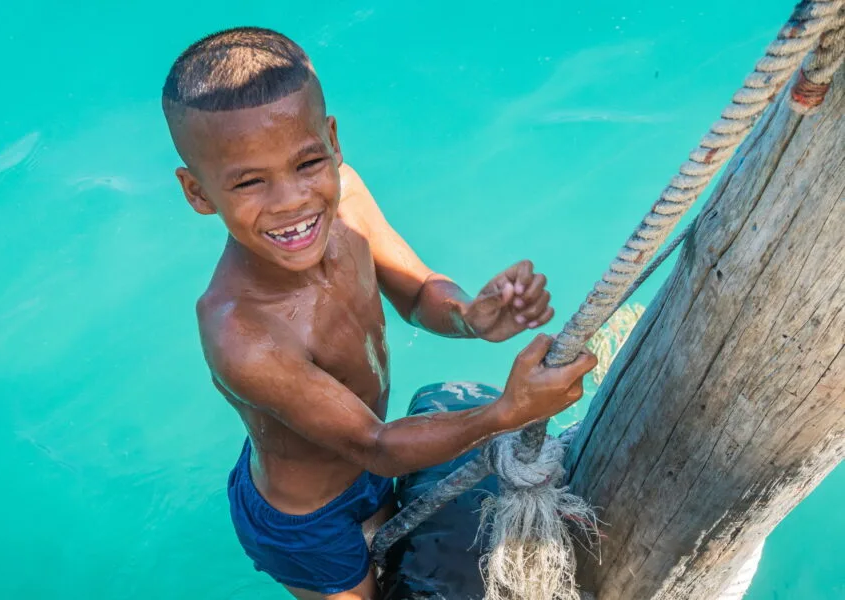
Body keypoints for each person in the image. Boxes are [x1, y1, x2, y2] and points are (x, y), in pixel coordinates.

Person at [161, 26, 597, 600]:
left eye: (307, 162)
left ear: (333, 141)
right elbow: (375, 442)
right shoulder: (240, 332)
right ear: (197, 193)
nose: (292, 199)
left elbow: (417, 295)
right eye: (249, 181)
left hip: (363, 454)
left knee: (395, 551)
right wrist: (506, 410)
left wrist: (473, 316)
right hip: (308, 520)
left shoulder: (347, 197)